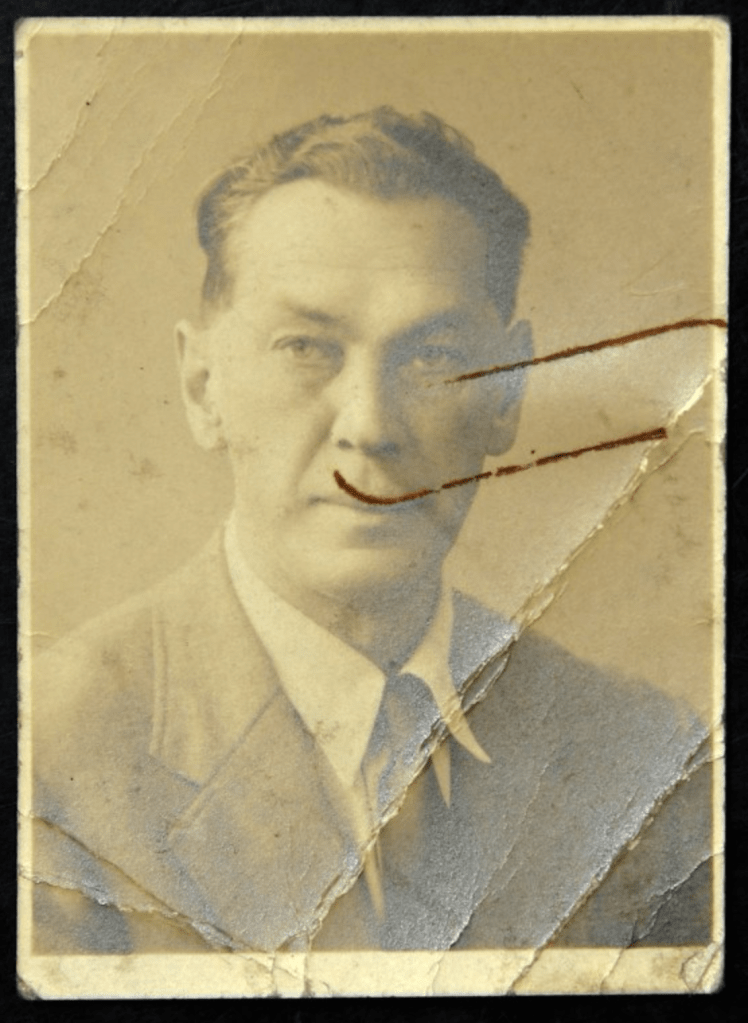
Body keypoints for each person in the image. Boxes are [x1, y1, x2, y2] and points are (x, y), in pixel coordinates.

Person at [31, 108, 712, 954]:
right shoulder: (50, 754)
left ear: (506, 392)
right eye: (305, 347)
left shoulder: (646, 756)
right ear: (204, 386)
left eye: (433, 356)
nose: (369, 427)